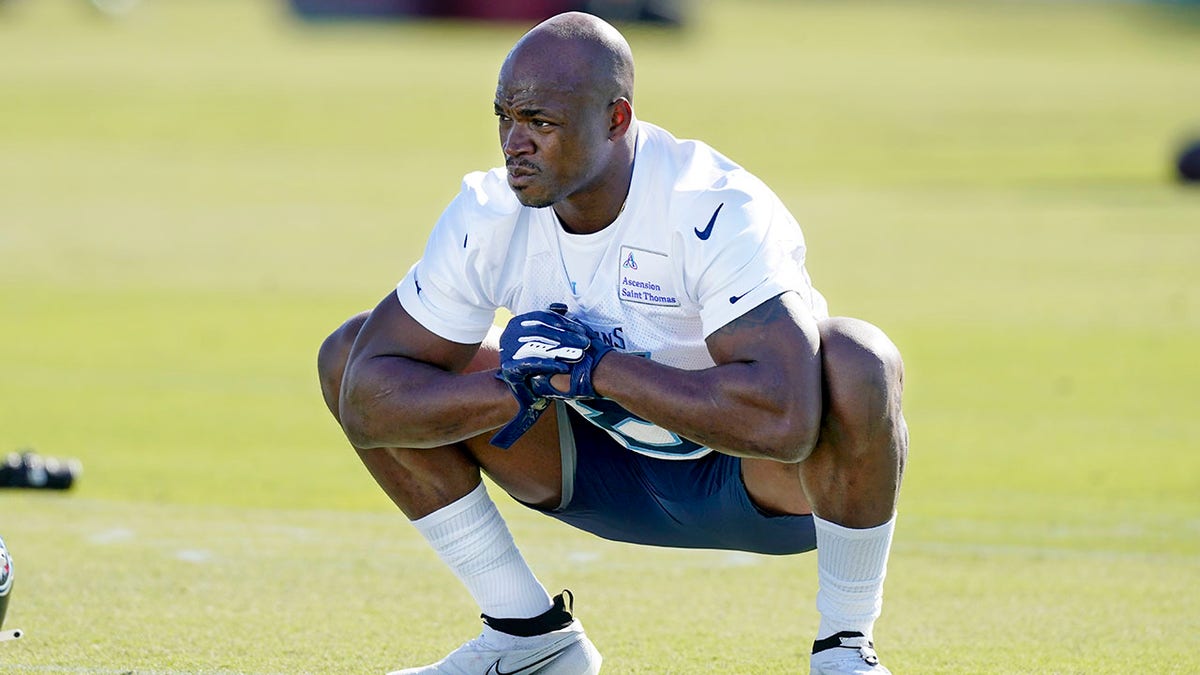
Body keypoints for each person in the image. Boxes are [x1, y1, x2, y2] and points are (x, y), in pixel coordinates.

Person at [318, 11, 907, 675]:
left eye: (540, 121)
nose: (515, 142)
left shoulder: (711, 205)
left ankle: (844, 648)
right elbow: (368, 400)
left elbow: (787, 420)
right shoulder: (490, 212)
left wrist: (600, 370)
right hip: (594, 473)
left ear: (616, 119)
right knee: (352, 351)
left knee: (859, 360)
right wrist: (517, 383)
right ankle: (528, 636)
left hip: (755, 487)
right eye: (504, 118)